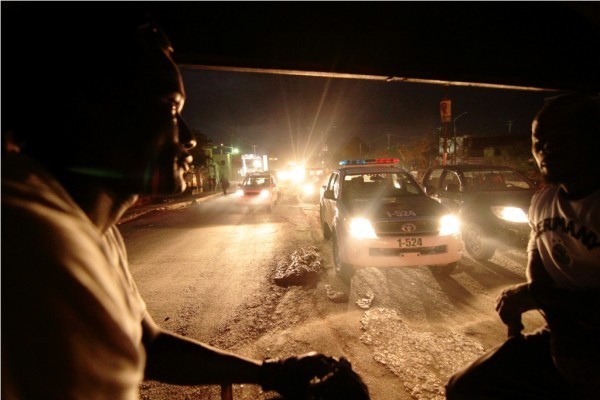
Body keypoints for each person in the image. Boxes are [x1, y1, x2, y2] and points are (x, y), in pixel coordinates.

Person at [1, 5, 369, 400]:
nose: (189, 136)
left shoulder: (94, 231)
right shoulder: (34, 245)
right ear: (86, 109)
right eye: (169, 108)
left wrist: (272, 374)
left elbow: (146, 344)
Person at [445, 93, 600, 399]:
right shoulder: (544, 202)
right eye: (538, 141)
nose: (546, 150)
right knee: (464, 387)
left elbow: (538, 289)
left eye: (562, 138)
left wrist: (537, 295)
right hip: (564, 331)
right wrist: (561, 332)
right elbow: (537, 263)